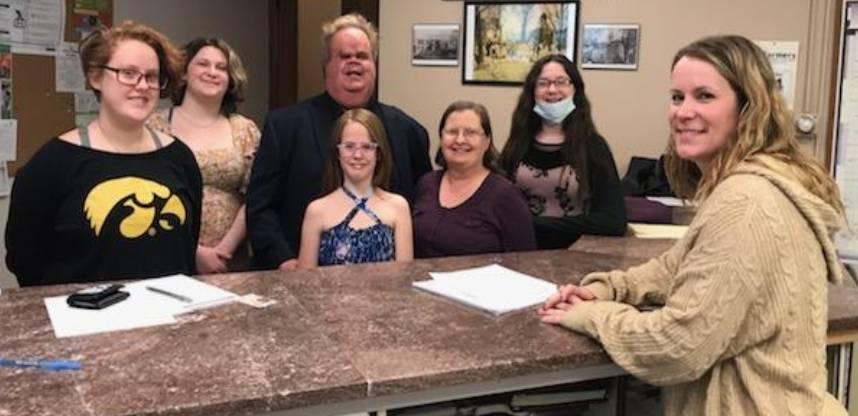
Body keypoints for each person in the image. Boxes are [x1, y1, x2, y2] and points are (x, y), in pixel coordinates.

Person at [539, 35, 848, 416]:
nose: (683, 112)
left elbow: (677, 347)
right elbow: (677, 266)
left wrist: (593, 316)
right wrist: (609, 288)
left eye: (704, 96)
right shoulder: (749, 183)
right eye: (677, 97)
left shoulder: (745, 204)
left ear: (749, 107)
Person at [5, 21, 201, 287]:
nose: (142, 85)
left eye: (152, 76)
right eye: (128, 73)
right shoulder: (52, 164)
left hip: (171, 309)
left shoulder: (179, 158)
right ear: (96, 77)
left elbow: (187, 246)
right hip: (81, 310)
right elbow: (24, 259)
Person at [247, 13, 431, 271]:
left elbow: (423, 208)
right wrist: (285, 261)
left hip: (388, 284)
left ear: (375, 65)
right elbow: (260, 207)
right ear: (326, 65)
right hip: (299, 277)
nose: (354, 62)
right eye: (344, 56)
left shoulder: (408, 131)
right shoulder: (285, 127)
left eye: (363, 56)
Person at [148, 37, 260, 274]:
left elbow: (256, 196)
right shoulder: (154, 126)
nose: (212, 72)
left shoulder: (245, 130)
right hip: (170, 252)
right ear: (184, 73)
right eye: (203, 64)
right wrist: (194, 252)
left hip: (229, 260)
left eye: (221, 67)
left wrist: (224, 250)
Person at [500, 54, 626, 249]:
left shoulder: (593, 147)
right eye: (543, 83)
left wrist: (536, 225)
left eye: (561, 82)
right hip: (521, 251)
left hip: (575, 255)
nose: (552, 90)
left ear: (575, 89)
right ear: (532, 91)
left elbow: (613, 221)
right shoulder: (518, 144)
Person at [413, 101, 535, 258]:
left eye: (470, 132)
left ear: (487, 142)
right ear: (441, 138)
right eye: (452, 132)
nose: (460, 140)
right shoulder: (426, 183)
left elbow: (525, 260)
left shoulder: (506, 196)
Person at [298, 109, 412, 267]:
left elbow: (405, 276)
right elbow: (305, 279)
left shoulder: (398, 207)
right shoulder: (316, 211)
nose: (358, 155)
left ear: (379, 153)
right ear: (337, 152)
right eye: (349, 146)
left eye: (367, 147)